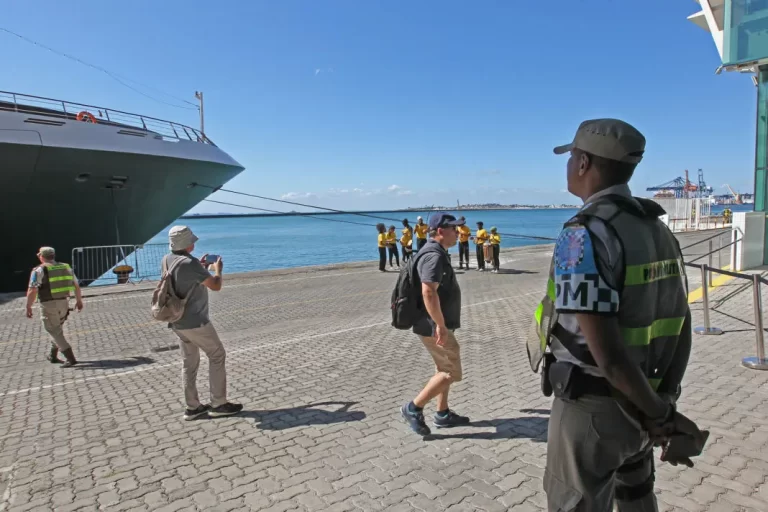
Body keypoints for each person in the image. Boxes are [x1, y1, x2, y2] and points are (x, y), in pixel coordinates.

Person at [527, 119, 706, 511]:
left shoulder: (583, 234)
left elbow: (607, 355)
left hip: (593, 412)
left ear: (584, 163)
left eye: (572, 155)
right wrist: (662, 407)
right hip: (643, 403)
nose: (569, 163)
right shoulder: (657, 228)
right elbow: (681, 323)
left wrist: (660, 413)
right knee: (637, 498)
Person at [400, 213, 470, 436]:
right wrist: (440, 325)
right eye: (454, 229)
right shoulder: (434, 256)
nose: (458, 233)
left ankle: (443, 413)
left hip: (433, 323)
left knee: (443, 368)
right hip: (432, 325)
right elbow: (428, 291)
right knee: (452, 372)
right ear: (441, 231)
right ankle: (413, 407)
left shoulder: (436, 252)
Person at [164, 225, 242, 421]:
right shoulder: (190, 264)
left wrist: (201, 268)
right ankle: (219, 403)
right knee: (217, 355)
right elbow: (215, 286)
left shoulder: (167, 260)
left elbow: (185, 280)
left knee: (188, 363)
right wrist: (217, 271)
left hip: (177, 321)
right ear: (188, 244)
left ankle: (192, 407)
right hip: (196, 321)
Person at [25, 246, 83, 367]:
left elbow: (33, 289)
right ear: (53, 255)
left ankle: (70, 358)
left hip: (48, 304)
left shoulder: (39, 270)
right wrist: (78, 300)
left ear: (41, 256)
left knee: (53, 330)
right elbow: (76, 285)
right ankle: (53, 355)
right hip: (64, 303)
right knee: (57, 329)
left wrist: (28, 306)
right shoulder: (65, 266)